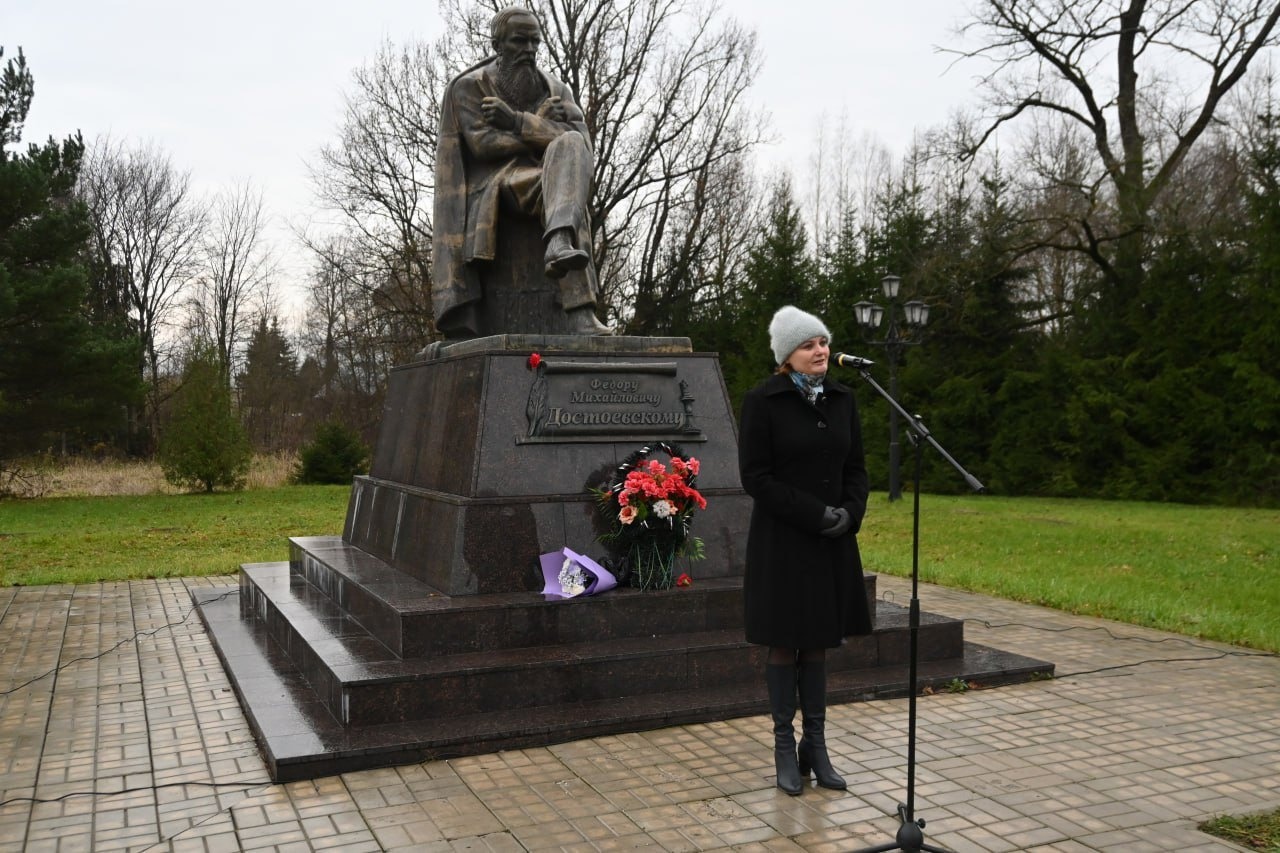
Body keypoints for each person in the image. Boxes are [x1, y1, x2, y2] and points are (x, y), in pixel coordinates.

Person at [737, 305, 874, 795]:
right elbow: (755, 477)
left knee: (818, 640)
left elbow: (856, 468)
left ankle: (814, 746)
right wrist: (815, 513)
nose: (821, 351)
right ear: (786, 357)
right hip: (784, 541)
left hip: (832, 541)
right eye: (809, 345)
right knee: (783, 641)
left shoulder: (844, 399)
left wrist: (850, 513)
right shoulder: (763, 401)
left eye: (823, 342)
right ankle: (782, 747)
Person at [432, 6, 611, 338]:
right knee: (564, 167)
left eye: (534, 43)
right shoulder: (469, 88)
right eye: (519, 42)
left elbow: (580, 147)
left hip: (547, 181)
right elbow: (484, 143)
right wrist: (545, 129)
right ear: (497, 45)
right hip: (496, 186)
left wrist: (518, 122)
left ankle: (565, 263)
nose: (529, 51)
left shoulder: (558, 91)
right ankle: (576, 297)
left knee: (568, 163)